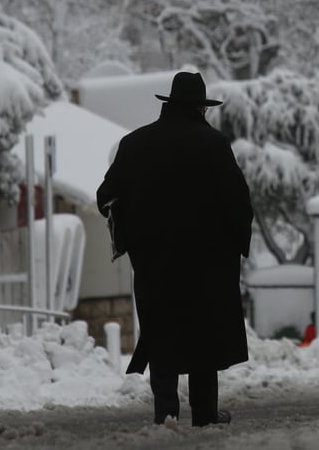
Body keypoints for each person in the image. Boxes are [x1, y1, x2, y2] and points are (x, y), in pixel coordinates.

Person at [96, 71, 254, 428]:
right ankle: (204, 413)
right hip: (207, 265)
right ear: (200, 108)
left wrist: (134, 233)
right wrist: (235, 246)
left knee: (161, 331)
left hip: (155, 263)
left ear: (169, 104)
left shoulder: (135, 144)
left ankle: (166, 413)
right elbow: (239, 204)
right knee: (204, 336)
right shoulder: (214, 145)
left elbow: (105, 197)